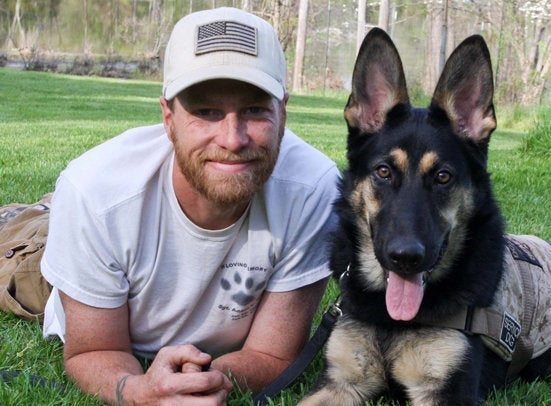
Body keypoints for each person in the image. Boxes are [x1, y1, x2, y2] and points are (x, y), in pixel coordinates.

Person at [38, 7, 340, 405]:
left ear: (283, 112)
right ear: (168, 117)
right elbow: (93, 350)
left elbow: (272, 353)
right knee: (21, 255)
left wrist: (207, 383)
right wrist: (139, 391)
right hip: (78, 253)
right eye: (205, 111)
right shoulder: (94, 191)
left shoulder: (316, 188)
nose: (233, 139)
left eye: (254, 110)